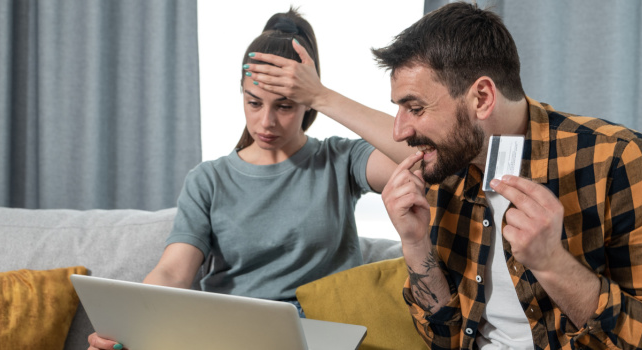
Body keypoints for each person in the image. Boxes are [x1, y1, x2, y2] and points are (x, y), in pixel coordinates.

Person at [375, 3, 642, 350]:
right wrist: (414, 243)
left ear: (482, 98)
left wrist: (552, 264)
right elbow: (445, 339)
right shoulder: (444, 173)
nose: (398, 131)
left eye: (416, 109)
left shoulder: (624, 163)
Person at [87, 8, 413, 350]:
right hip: (230, 336)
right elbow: (173, 272)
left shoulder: (342, 160)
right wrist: (126, 327)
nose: (266, 121)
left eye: (285, 106)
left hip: (319, 334)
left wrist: (323, 95)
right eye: (254, 102)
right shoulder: (209, 180)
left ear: (306, 105)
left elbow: (420, 157)